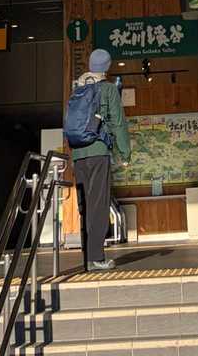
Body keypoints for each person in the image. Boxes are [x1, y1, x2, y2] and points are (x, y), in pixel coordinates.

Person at [68, 49, 131, 272]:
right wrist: (125, 154)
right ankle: (96, 258)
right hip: (98, 152)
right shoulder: (108, 89)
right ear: (107, 66)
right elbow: (118, 123)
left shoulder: (78, 88)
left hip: (78, 154)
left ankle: (88, 257)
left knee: (85, 206)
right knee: (98, 205)